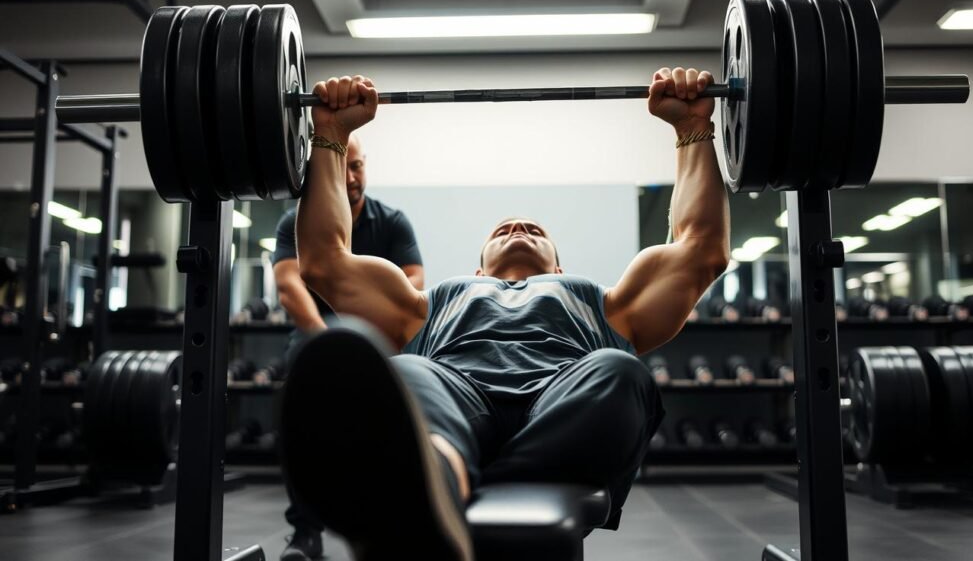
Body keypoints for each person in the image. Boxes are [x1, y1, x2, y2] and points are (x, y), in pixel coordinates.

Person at [285, 67, 730, 561]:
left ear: (560, 267)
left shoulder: (603, 302)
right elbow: (324, 262)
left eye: (532, 227)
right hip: (457, 395)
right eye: (504, 228)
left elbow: (701, 251)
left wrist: (693, 129)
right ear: (478, 270)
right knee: (408, 370)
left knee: (620, 372)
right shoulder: (428, 303)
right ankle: (439, 479)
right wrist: (329, 136)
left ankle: (444, 489)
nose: (518, 225)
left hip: (564, 399)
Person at [271, 133, 424, 561]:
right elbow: (289, 286)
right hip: (315, 330)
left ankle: (395, 521)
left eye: (357, 166)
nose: (352, 175)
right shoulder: (292, 222)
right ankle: (305, 532)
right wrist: (327, 341)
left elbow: (414, 283)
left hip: (376, 331)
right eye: (343, 166)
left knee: (406, 400)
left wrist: (372, 329)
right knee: (300, 389)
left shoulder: (392, 221)